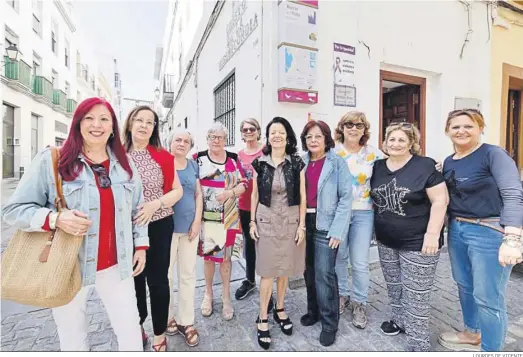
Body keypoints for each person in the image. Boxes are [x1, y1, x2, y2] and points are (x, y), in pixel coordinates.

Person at [2, 97, 148, 351]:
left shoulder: (125, 166)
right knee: (73, 339)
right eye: (89, 118)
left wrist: (142, 245)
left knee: (131, 334)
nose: (97, 125)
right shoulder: (53, 160)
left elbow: (138, 209)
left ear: (113, 126)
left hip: (117, 266)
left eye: (104, 119)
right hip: (68, 266)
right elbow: (13, 210)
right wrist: (55, 219)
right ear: (78, 124)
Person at [438, 109, 523, 352]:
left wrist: (513, 238)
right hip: (457, 229)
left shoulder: (493, 154)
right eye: (455, 127)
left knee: (489, 298)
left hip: (488, 231)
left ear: (480, 128)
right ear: (447, 131)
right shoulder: (449, 161)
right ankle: (472, 333)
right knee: (464, 285)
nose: (461, 131)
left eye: (468, 126)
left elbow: (513, 194)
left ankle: (491, 349)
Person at [370, 123, 449, 352]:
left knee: (416, 294)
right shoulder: (377, 167)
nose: (395, 144)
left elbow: (440, 201)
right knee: (394, 286)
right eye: (391, 139)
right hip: (386, 240)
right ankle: (399, 321)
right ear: (385, 142)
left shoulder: (425, 166)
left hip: (419, 242)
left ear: (411, 143)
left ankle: (418, 343)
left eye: (401, 140)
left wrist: (433, 235)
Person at [122, 106, 183, 352]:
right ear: (129, 123)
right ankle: (137, 327)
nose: (144, 125)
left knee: (158, 281)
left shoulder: (162, 156)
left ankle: (159, 334)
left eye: (150, 122)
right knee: (132, 281)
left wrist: (155, 204)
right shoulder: (114, 155)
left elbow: (177, 191)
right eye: (139, 120)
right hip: (125, 228)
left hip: (158, 224)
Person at [250, 117, 306, 350]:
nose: (277, 136)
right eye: (273, 132)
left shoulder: (296, 162)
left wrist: (302, 225)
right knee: (266, 271)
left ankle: (280, 309)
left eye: (281, 132)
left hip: (290, 221)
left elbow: (302, 195)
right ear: (268, 136)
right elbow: (254, 194)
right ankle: (263, 316)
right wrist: (252, 222)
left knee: (285, 270)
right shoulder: (259, 163)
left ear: (287, 136)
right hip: (266, 221)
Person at [299, 120, 353, 346]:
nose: (313, 141)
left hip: (327, 223)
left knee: (324, 274)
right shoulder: (301, 162)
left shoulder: (337, 162)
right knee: (308, 272)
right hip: (304, 221)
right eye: (309, 137)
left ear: (326, 138)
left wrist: (338, 230)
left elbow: (346, 198)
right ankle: (314, 312)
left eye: (318, 136)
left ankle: (330, 323)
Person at [333, 111, 384, 328]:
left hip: (364, 212)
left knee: (361, 262)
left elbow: (397, 167)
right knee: (340, 258)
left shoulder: (374, 154)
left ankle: (360, 302)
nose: (354, 128)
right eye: (350, 124)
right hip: (339, 213)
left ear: (364, 130)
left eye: (359, 125)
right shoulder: (333, 152)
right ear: (342, 128)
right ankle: (342, 295)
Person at [195, 122, 247, 321]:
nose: (216, 140)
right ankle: (208, 294)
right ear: (207, 139)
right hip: (208, 219)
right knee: (209, 259)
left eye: (220, 137)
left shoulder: (234, 159)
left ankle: (226, 297)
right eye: (212, 137)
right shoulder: (198, 159)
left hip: (229, 218)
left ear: (226, 140)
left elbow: (244, 184)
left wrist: (229, 193)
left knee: (225, 259)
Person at [165, 129, 202, 347]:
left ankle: (185, 321)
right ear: (170, 142)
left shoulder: (192, 165)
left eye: (186, 141)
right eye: (178, 140)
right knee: (166, 276)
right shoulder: (162, 162)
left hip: (189, 229)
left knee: (188, 276)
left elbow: (197, 194)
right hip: (166, 229)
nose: (182, 143)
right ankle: (167, 316)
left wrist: (197, 221)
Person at [235, 118, 272, 311]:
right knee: (249, 246)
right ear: (241, 133)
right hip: (244, 206)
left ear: (258, 131)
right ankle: (250, 280)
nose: (248, 132)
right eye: (245, 129)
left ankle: (268, 289)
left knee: (265, 247)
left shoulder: (266, 150)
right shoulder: (239, 155)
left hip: (264, 206)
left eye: (252, 129)